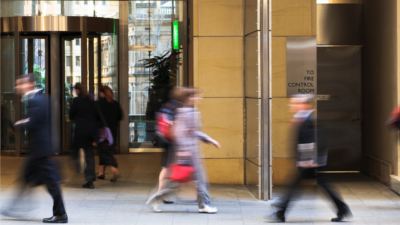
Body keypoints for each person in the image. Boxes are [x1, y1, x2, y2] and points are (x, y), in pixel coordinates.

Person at [268, 94, 352, 223]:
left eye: (296, 103)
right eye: (292, 103)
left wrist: (312, 159)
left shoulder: (312, 118)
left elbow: (318, 140)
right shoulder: (302, 118)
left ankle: (280, 212)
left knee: (295, 186)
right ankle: (342, 208)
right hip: (309, 161)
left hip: (312, 162)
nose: (292, 106)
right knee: (320, 185)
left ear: (306, 105)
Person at [1, 73, 68, 223]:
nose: (17, 87)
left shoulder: (35, 101)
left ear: (30, 84)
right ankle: (14, 207)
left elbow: (33, 123)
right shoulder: (44, 98)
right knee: (26, 178)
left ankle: (60, 215)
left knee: (52, 184)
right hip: (39, 149)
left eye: (20, 84)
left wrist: (19, 124)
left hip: (41, 150)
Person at [146, 87, 221, 213]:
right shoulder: (184, 112)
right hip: (188, 154)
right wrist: (184, 152)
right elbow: (179, 133)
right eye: (196, 96)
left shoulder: (191, 111)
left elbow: (194, 132)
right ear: (189, 98)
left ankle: (202, 205)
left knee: (185, 182)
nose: (199, 98)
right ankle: (203, 206)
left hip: (192, 153)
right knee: (192, 181)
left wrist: (209, 140)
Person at [155, 87, 182, 204]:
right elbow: (176, 125)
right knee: (167, 168)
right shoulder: (178, 106)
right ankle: (161, 193)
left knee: (166, 167)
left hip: (165, 139)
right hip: (172, 141)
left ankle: (161, 193)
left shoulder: (168, 105)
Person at [69, 83, 98, 189]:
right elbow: (96, 116)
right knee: (89, 155)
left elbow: (71, 114)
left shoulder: (76, 101)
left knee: (73, 150)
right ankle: (90, 180)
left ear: (77, 90)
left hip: (80, 130)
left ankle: (77, 166)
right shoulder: (91, 101)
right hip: (90, 132)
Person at [96, 85, 123, 182]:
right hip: (112, 133)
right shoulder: (115, 104)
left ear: (102, 93)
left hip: (103, 133)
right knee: (105, 151)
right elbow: (120, 116)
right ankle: (101, 173)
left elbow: (96, 118)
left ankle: (114, 169)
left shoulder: (99, 104)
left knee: (105, 153)